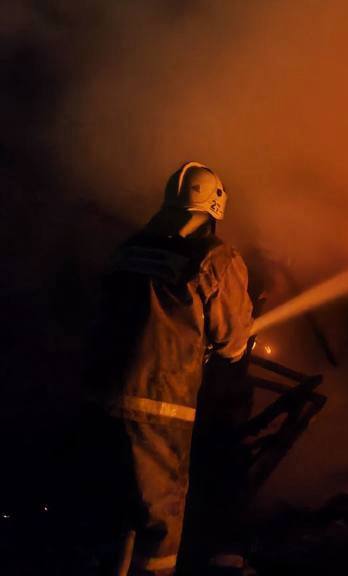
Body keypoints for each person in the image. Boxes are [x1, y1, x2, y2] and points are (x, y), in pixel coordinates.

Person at [83, 161, 253, 575]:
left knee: (110, 517)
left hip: (100, 399)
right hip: (161, 407)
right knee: (157, 525)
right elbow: (232, 342)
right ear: (214, 206)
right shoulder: (216, 257)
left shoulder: (128, 249)